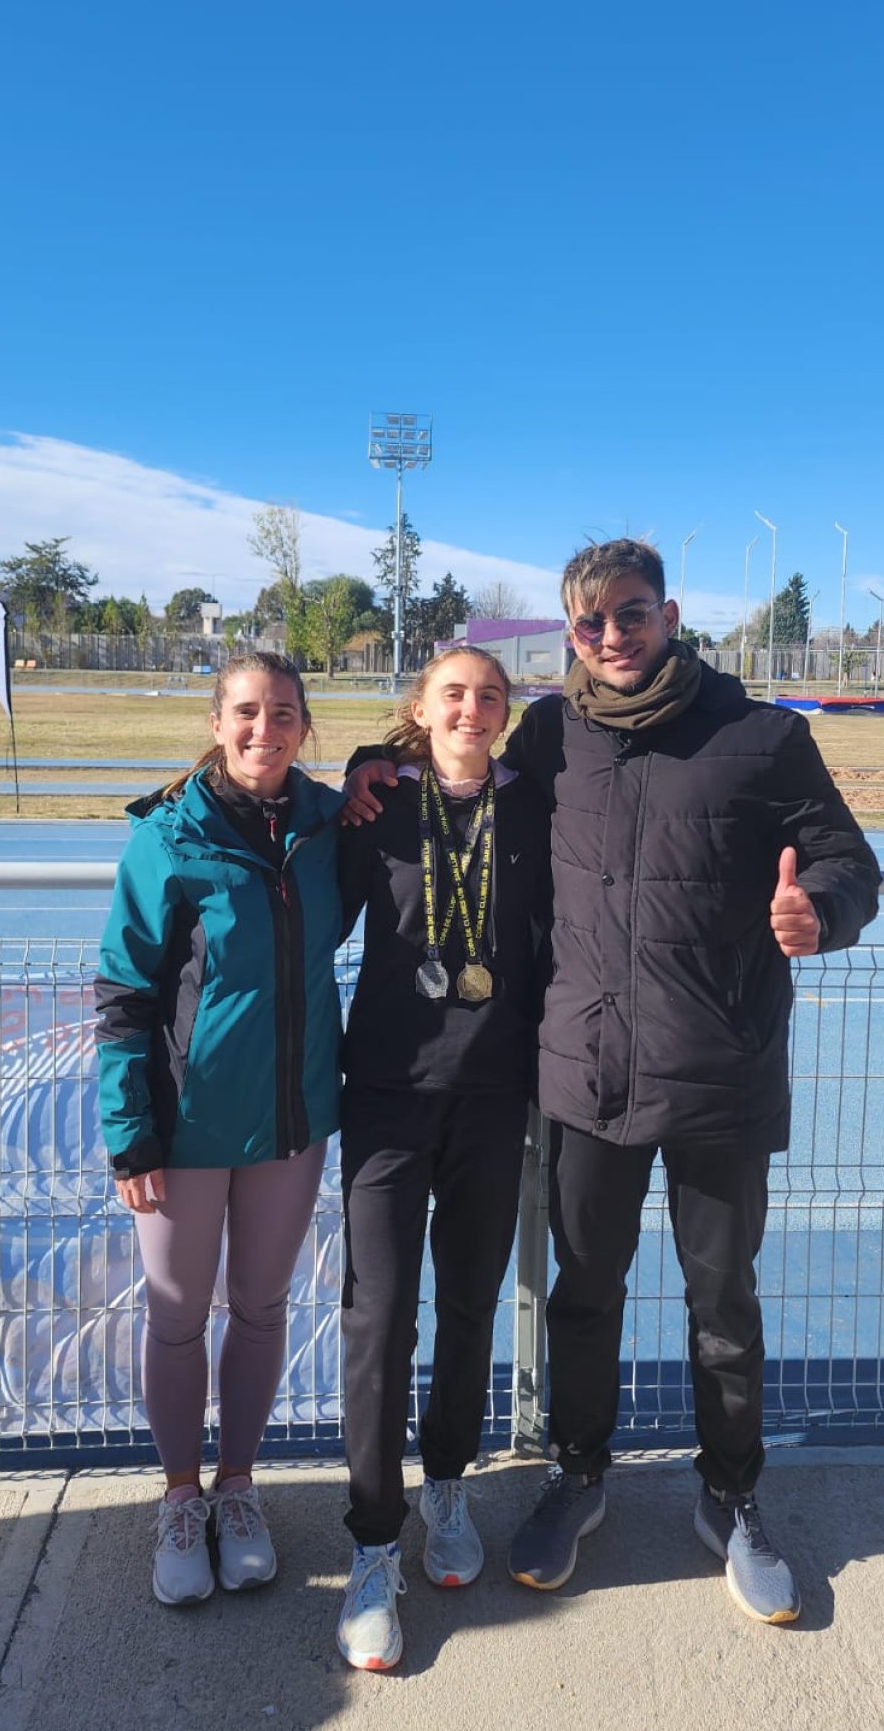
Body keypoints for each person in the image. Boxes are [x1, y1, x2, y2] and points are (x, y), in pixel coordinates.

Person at [346, 542, 881, 1627]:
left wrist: (817, 910)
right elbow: (454, 758)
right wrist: (370, 756)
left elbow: (849, 859)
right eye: (588, 624)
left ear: (669, 612)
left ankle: (731, 1499)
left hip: (719, 1068)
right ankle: (579, 1475)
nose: (610, 637)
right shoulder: (551, 733)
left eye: (630, 615)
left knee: (723, 1305)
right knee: (585, 1294)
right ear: (571, 633)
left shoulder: (764, 734)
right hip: (586, 1071)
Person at [95, 653, 343, 1606]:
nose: (264, 729)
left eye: (283, 713)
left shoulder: (328, 825)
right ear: (217, 718)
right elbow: (124, 992)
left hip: (292, 1123)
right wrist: (131, 1132)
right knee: (175, 1316)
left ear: (304, 725)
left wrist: (372, 776)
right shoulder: (168, 836)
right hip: (185, 1130)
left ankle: (239, 1489)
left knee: (264, 1308)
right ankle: (178, 1496)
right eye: (246, 712)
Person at [334, 647, 551, 1672]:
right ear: (422, 708)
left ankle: (448, 1482)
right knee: (380, 1316)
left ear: (507, 714)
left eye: (490, 694)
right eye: (452, 692)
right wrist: (362, 760)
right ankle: (375, 1541)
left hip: (492, 1092)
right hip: (386, 1093)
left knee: (470, 1301)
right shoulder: (379, 800)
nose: (472, 706)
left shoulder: (537, 805)